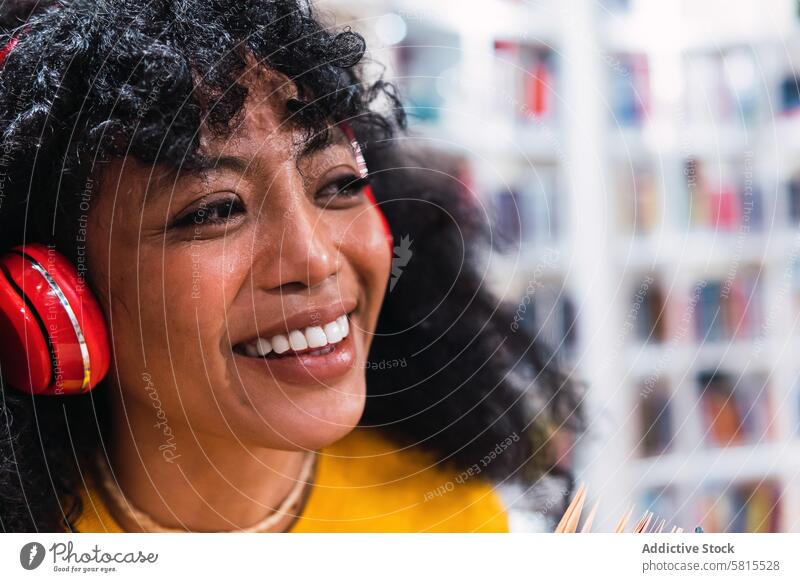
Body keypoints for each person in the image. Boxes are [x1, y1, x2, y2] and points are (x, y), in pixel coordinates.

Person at [0, 0, 582, 533]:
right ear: (53, 299)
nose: (316, 257)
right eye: (216, 209)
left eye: (338, 184)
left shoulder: (450, 522)